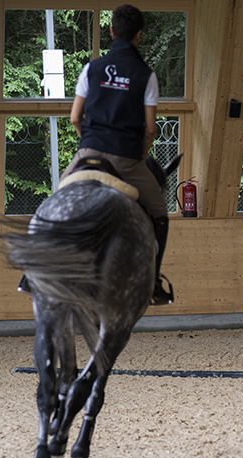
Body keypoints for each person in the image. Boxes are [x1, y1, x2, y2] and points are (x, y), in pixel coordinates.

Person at [63, 4, 173, 304]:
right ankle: (153, 283)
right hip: (126, 158)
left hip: (88, 152)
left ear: (111, 31)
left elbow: (75, 117)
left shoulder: (91, 68)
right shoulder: (146, 76)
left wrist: (90, 144)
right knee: (161, 212)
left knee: (55, 200)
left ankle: (31, 274)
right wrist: (139, 155)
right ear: (139, 35)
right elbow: (150, 129)